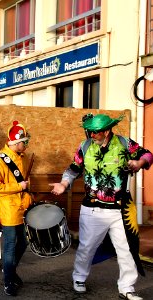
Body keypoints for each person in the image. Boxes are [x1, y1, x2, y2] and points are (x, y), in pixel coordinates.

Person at [49, 114, 152, 300]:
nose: (92, 135)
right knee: (87, 247)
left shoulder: (124, 143)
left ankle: (127, 287)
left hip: (120, 209)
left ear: (106, 131)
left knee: (126, 249)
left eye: (96, 132)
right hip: (93, 209)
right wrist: (63, 184)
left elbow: (147, 154)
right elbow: (73, 169)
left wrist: (139, 163)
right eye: (90, 132)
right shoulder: (85, 146)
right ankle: (79, 278)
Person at [0, 120, 33, 297]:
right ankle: (8, 281)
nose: (27, 145)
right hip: (9, 210)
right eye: (25, 142)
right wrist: (19, 187)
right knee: (8, 247)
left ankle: (11, 272)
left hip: (23, 208)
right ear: (16, 142)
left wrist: (27, 193)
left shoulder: (22, 158)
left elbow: (23, 185)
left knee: (24, 242)